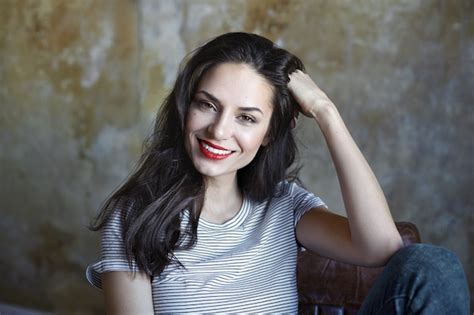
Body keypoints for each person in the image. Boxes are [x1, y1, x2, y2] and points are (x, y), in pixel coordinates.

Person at [86, 32, 469, 314]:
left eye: (246, 118)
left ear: (269, 133)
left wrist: (326, 113)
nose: (219, 131)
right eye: (207, 105)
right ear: (186, 107)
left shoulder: (284, 205)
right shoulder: (135, 216)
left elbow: (383, 248)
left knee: (433, 265)